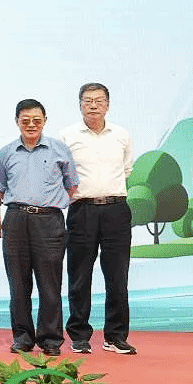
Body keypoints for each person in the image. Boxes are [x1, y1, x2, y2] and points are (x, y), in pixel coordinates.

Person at [0, 98, 78, 357]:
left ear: (45, 121)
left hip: (49, 221)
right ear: (17, 121)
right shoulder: (5, 153)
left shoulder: (59, 150)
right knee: (18, 284)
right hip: (16, 219)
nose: (31, 125)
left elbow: (72, 185)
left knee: (50, 284)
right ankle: (22, 337)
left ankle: (51, 339)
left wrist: (48, 204)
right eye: (25, 120)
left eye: (37, 120)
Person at [60, 83, 136, 355]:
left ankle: (115, 336)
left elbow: (126, 169)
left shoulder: (121, 135)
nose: (93, 105)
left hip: (116, 210)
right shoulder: (67, 136)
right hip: (82, 210)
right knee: (79, 275)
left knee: (118, 275)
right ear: (80, 104)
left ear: (108, 104)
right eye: (88, 100)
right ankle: (80, 335)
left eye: (99, 100)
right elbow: (62, 173)